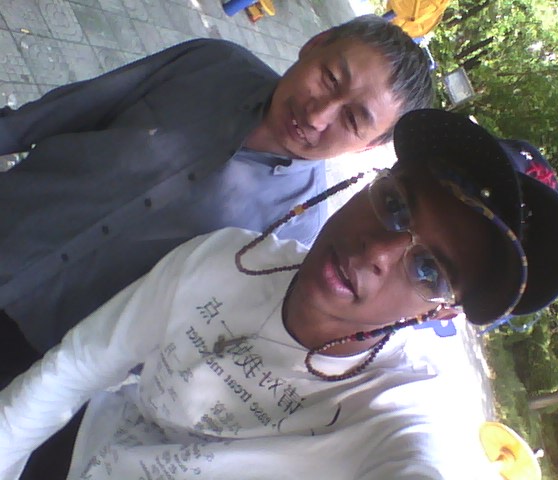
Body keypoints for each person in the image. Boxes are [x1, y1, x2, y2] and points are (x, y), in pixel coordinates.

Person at [0, 109, 558, 479]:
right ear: (366, 184)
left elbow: (425, 458)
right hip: (77, 449)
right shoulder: (223, 258)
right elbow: (79, 366)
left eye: (429, 270)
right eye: (396, 206)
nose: (378, 253)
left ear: (443, 311)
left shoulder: (398, 409)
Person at [0, 15, 434, 361]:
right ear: (314, 43)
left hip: (42, 347)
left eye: (353, 119)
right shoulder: (211, 64)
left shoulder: (294, 236)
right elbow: (67, 109)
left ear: (368, 147)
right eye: (330, 78)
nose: (318, 114)